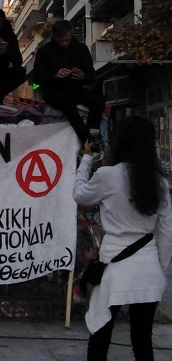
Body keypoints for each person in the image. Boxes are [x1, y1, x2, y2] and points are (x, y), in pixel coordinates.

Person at [73, 116, 172, 360]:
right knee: (142, 341)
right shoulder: (159, 182)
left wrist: (87, 158)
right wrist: (160, 270)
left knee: (100, 335)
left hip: (114, 266)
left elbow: (79, 194)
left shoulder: (108, 175)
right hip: (147, 266)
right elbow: (166, 232)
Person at [32, 19, 106, 144]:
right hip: (53, 90)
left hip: (76, 88)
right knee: (68, 106)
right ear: (54, 37)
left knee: (98, 101)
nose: (64, 43)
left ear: (71, 35)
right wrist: (55, 75)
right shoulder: (44, 52)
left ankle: (93, 134)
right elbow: (37, 79)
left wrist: (82, 76)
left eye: (67, 40)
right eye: (61, 41)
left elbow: (92, 75)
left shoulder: (81, 49)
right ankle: (86, 140)